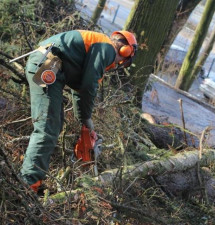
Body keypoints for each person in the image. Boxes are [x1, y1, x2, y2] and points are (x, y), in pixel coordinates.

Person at [20, 30, 137, 192]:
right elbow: (89, 86)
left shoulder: (98, 47)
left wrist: (84, 122)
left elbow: (79, 90)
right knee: (47, 128)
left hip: (50, 65)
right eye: (122, 61)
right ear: (125, 51)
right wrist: (88, 118)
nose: (117, 64)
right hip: (48, 65)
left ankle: (35, 179)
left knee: (55, 125)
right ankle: (27, 184)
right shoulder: (108, 49)